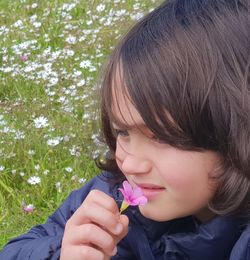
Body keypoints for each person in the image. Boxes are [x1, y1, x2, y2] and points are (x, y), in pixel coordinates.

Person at [1, 0, 250, 259]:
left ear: (235, 133)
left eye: (161, 136)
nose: (130, 164)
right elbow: (16, 251)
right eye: (122, 132)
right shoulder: (115, 194)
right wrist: (63, 253)